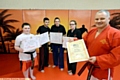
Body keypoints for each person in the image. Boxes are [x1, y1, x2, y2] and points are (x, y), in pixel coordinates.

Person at [78, 10, 120, 80]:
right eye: (97, 19)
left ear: (108, 19)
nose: (99, 21)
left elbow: (116, 57)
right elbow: (83, 43)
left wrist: (97, 59)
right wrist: (73, 42)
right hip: (91, 68)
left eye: (102, 19)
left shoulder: (116, 34)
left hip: (104, 71)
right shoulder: (92, 31)